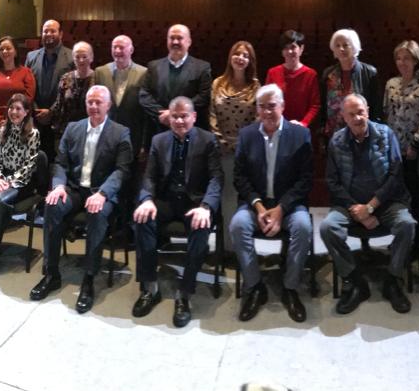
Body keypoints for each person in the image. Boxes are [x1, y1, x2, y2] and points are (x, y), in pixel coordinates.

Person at [30, 85, 132, 314]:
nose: (94, 106)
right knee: (52, 204)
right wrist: (58, 186)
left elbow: (122, 171)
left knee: (96, 212)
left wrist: (103, 193)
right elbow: (61, 163)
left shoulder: (120, 132)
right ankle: (51, 273)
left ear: (108, 105)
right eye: (90, 102)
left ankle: (89, 278)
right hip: (75, 189)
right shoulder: (73, 128)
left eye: (99, 102)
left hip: (101, 192)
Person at [131, 97, 222, 328]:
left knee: (201, 227)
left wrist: (206, 207)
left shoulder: (208, 140)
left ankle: (184, 294)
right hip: (166, 200)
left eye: (184, 116)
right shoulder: (158, 140)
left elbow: (216, 178)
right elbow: (149, 176)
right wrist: (147, 199)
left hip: (195, 203)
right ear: (168, 118)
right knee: (142, 219)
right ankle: (150, 287)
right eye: (175, 116)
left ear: (193, 116)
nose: (180, 120)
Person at [320, 94, 415, 315]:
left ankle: (392, 279)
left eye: (360, 112)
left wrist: (371, 207)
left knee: (407, 224)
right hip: (349, 205)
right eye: (351, 114)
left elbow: (395, 175)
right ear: (343, 117)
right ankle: (354, 280)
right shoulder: (336, 141)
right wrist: (358, 210)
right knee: (327, 228)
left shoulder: (385, 134)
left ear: (368, 111)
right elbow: (332, 182)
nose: (357, 117)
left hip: (386, 202)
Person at [229, 84, 313, 323]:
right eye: (262, 107)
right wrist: (258, 207)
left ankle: (290, 288)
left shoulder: (300, 135)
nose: (267, 112)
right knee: (238, 225)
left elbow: (305, 180)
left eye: (272, 106)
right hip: (256, 204)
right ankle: (255, 286)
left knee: (303, 227)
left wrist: (281, 209)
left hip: (289, 205)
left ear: (283, 106)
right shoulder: (247, 135)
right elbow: (240, 178)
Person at [0, 93, 41, 275]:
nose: (14, 112)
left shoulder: (33, 134)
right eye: (11, 108)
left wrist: (8, 182)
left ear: (27, 112)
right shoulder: (0, 131)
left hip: (22, 182)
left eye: (18, 109)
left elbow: (29, 165)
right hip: (0, 178)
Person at [210, 40, 260, 216]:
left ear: (250, 61)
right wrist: (222, 142)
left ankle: (242, 238)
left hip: (245, 149)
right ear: (230, 57)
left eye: (245, 56)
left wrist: (242, 144)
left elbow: (257, 118)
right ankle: (228, 243)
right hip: (221, 147)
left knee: (245, 192)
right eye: (237, 54)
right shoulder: (217, 83)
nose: (240, 58)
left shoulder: (255, 86)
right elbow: (212, 115)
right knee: (226, 195)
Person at [382, 40, 419, 200]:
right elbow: (386, 114)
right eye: (399, 58)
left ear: (415, 60)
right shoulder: (391, 84)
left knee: (414, 189)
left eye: (406, 58)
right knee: (394, 188)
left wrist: (415, 145)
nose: (402, 62)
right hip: (393, 146)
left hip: (414, 149)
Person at [140, 24, 213, 137]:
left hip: (191, 133)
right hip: (159, 130)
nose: (175, 42)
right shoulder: (153, 66)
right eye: (171, 38)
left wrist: (175, 114)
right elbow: (144, 95)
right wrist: (165, 115)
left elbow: (204, 96)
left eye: (179, 38)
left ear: (189, 41)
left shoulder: (202, 67)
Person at [0, 35, 35, 182]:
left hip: (20, 123)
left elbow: (28, 98)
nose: (5, 51)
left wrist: (15, 118)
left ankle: (14, 191)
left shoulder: (26, 73)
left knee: (17, 160)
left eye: (8, 48)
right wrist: (0, 120)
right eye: (2, 49)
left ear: (16, 51)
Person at [26, 19, 74, 161]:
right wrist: (36, 110)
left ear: (61, 34)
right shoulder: (31, 57)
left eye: (53, 31)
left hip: (60, 121)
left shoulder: (71, 57)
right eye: (45, 31)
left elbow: (71, 90)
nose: (48, 34)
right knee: (36, 162)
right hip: (36, 119)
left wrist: (51, 112)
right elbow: (27, 87)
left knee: (57, 162)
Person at [94, 34, 149, 159]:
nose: (117, 51)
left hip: (133, 136)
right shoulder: (100, 72)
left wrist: (144, 144)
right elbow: (94, 106)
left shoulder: (144, 73)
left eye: (121, 47)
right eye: (114, 47)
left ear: (131, 50)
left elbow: (146, 112)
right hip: (105, 136)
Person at [320, 28, 381, 139]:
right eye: (337, 46)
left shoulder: (369, 72)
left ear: (354, 47)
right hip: (334, 134)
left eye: (345, 45)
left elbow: (376, 107)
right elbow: (323, 105)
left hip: (361, 132)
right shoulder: (328, 74)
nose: (341, 49)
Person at [264, 30, 320, 128]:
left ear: (301, 49)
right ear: (282, 51)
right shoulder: (272, 72)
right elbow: (267, 102)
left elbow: (315, 105)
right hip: (277, 127)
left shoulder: (310, 74)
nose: (289, 51)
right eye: (286, 48)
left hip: (301, 128)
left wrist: (303, 123)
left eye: (293, 47)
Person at [49, 40, 96, 134]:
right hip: (67, 130)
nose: (81, 60)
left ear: (91, 58)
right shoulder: (65, 78)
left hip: (90, 130)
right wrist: (48, 113)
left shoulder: (98, 78)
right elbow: (59, 103)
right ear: (73, 59)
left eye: (84, 56)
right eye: (77, 57)